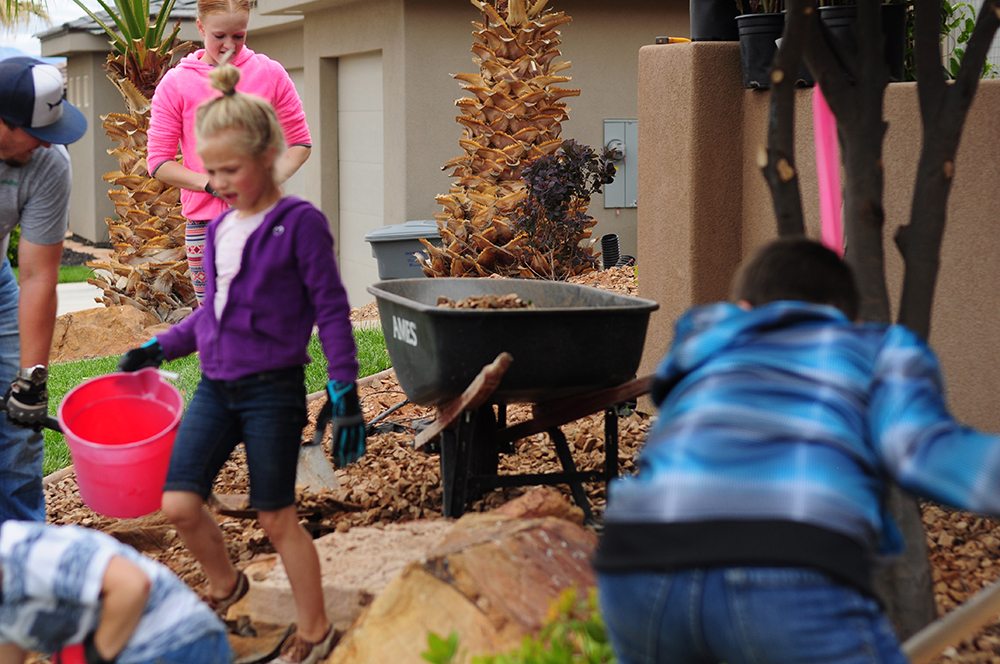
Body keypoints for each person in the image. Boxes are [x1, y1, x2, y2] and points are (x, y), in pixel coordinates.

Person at [594, 236, 1000, 664]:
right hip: (788, 570)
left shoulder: (710, 350)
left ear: (744, 309)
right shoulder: (877, 349)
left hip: (638, 564)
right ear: (851, 317)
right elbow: (922, 452)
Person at [118, 62, 365, 664]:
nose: (218, 184)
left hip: (272, 392)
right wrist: (161, 347)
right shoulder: (222, 225)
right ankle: (231, 589)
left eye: (231, 170)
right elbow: (213, 315)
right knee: (178, 504)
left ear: (270, 155)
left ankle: (314, 629)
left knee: (277, 517)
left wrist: (344, 388)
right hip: (216, 387)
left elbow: (331, 310)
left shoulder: (299, 225)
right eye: (211, 171)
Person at [147, 0, 312, 304]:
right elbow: (159, 162)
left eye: (239, 36)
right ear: (200, 27)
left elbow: (300, 142)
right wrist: (209, 184)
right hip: (204, 227)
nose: (229, 46)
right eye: (219, 36)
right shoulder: (176, 84)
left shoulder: (269, 73)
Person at [0, 57, 87, 524]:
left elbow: (37, 276)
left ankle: (26, 560)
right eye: (34, 131)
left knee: (18, 429)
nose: (45, 143)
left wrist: (31, 379)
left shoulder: (49, 161)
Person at [0, 520, 232, 663]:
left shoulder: (26, 552)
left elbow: (131, 585)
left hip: (172, 639)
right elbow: (8, 647)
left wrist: (94, 656)